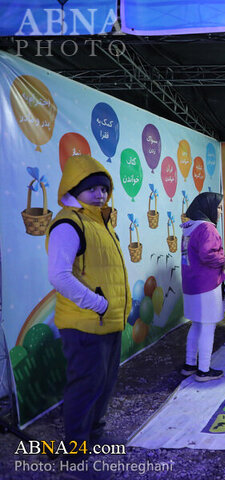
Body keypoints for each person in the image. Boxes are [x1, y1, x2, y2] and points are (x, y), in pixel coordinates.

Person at [46, 154, 132, 452]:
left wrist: (111, 310)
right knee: (85, 387)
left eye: (104, 188)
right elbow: (58, 276)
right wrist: (99, 305)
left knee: (104, 385)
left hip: (107, 322)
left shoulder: (100, 222)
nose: (100, 194)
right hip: (85, 325)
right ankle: (75, 452)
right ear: (74, 189)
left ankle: (93, 436)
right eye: (92, 189)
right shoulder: (69, 224)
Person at [180, 192, 225, 381]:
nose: (221, 212)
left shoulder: (188, 227)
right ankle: (204, 370)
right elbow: (208, 255)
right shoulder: (207, 228)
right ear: (208, 208)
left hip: (191, 284)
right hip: (207, 285)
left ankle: (190, 364)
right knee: (208, 326)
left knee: (197, 325)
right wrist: (224, 260)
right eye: (219, 207)